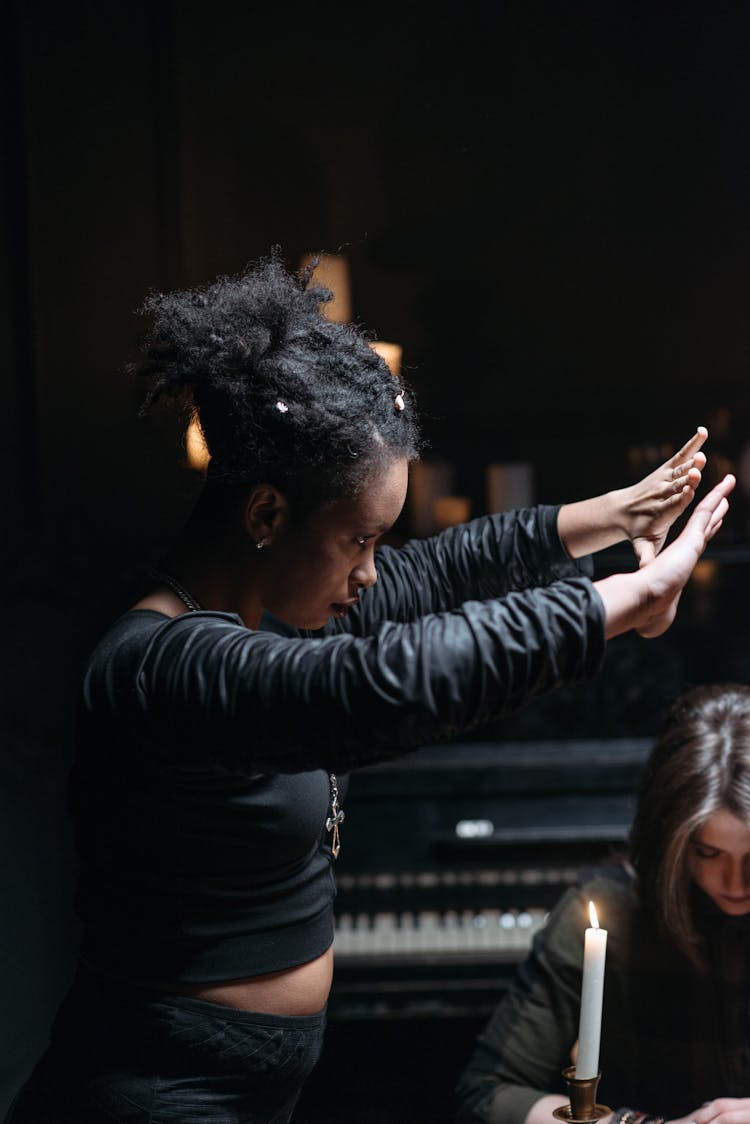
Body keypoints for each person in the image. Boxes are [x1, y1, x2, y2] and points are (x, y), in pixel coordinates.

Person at [6, 249, 735, 1124]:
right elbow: (383, 685)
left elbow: (438, 571)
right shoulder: (158, 668)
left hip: (250, 1094)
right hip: (154, 1097)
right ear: (268, 514)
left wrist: (602, 520)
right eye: (360, 541)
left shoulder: (274, 614)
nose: (372, 573)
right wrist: (620, 603)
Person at [454, 681, 750, 1124]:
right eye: (707, 853)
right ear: (669, 836)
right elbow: (485, 1095)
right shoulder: (608, 908)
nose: (736, 882)